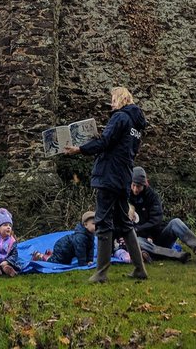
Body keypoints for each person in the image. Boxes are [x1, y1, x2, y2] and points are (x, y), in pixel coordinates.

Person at [63, 86, 148, 283]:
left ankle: (101, 272)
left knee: (102, 222)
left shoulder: (120, 117)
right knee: (125, 224)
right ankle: (139, 269)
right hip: (124, 176)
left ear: (123, 99)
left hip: (109, 176)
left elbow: (104, 142)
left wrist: (79, 149)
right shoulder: (136, 126)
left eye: (114, 99)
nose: (111, 104)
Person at [130, 166, 196, 265]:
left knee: (176, 222)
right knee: (136, 240)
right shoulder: (125, 197)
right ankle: (177, 255)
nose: (135, 189)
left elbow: (156, 221)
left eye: (139, 186)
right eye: (133, 185)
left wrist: (138, 229)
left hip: (158, 238)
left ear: (145, 184)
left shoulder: (152, 197)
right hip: (142, 243)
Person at [32, 210, 97, 265]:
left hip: (66, 249)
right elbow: (80, 251)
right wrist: (83, 263)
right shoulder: (80, 237)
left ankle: (51, 254)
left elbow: (90, 249)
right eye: (93, 224)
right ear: (85, 225)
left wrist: (89, 260)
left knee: (64, 260)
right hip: (62, 247)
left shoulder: (90, 235)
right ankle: (40, 256)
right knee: (58, 262)